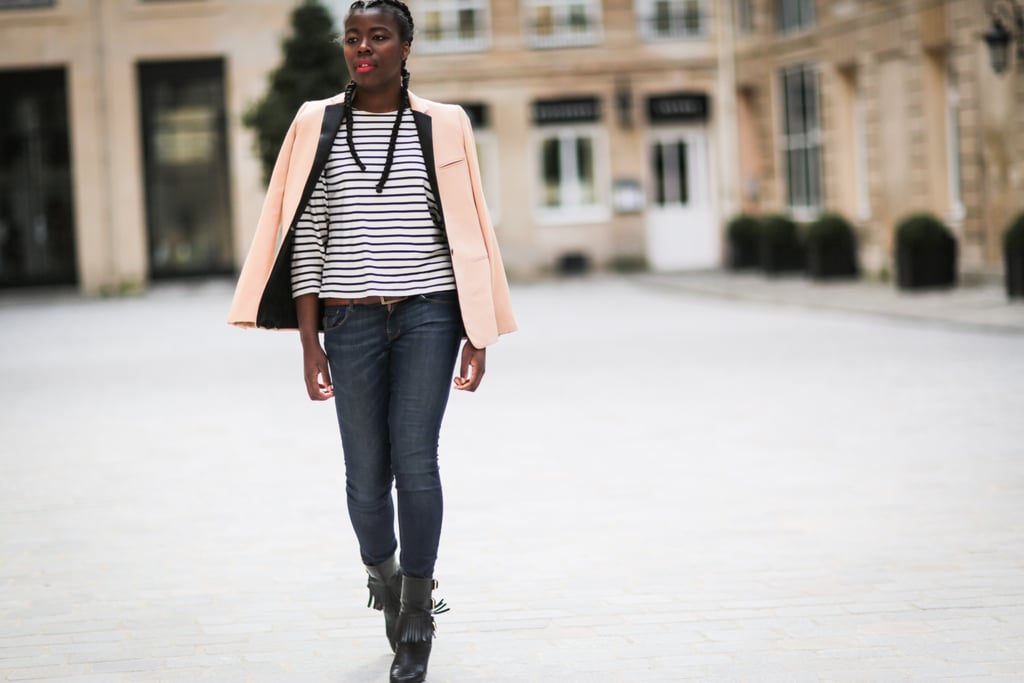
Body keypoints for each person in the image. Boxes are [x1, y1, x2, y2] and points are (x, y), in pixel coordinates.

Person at [226, 1, 516, 681]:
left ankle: (417, 610)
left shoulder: (445, 125)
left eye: (378, 37)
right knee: (364, 479)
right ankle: (383, 578)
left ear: (406, 47)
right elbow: (308, 236)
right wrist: (309, 340)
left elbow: (469, 231)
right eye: (353, 37)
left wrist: (477, 331)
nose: (364, 48)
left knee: (416, 461)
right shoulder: (315, 123)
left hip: (429, 313)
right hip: (349, 318)